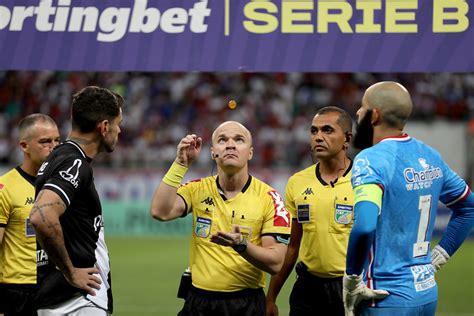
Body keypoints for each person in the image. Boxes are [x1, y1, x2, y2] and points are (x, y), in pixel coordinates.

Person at [343, 81, 474, 316]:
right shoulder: (430, 155)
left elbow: (364, 225)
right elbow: (469, 208)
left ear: (374, 115)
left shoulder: (370, 159)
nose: (358, 112)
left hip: (384, 298)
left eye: (362, 107)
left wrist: (352, 280)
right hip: (425, 294)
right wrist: (439, 257)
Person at [150, 121, 291, 316]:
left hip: (246, 305)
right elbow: (160, 211)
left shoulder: (270, 199)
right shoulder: (196, 189)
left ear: (250, 152)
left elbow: (275, 263)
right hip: (198, 302)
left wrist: (241, 244)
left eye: (239, 140)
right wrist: (180, 165)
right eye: (222, 140)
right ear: (213, 152)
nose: (230, 144)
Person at [29, 86, 124, 315]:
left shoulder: (59, 157)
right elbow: (41, 216)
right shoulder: (75, 162)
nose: (119, 131)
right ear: (103, 127)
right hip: (79, 302)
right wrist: (71, 271)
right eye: (118, 123)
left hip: (58, 299)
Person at [266, 106, 354, 316]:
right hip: (308, 289)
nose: (318, 137)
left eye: (327, 130)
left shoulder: (365, 181)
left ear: (347, 139)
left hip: (351, 288)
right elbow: (292, 246)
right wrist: (271, 297)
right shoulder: (297, 182)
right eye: (314, 131)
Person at [0, 114, 60, 316]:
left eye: (57, 141)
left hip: (54, 287)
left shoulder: (62, 186)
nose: (53, 147)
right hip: (17, 292)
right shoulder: (5, 188)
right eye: (45, 141)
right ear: (24, 146)